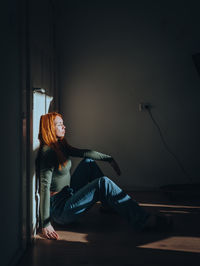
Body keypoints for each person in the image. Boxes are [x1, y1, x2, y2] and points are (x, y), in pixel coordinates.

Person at [37, 112, 170, 240]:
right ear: (50, 127)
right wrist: (45, 224)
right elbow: (44, 187)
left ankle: (107, 205)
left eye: (63, 123)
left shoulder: (60, 145)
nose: (64, 126)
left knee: (88, 162)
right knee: (103, 183)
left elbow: (85, 153)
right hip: (61, 210)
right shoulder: (47, 152)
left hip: (68, 194)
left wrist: (109, 159)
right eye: (59, 124)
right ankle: (142, 219)